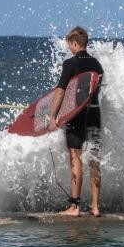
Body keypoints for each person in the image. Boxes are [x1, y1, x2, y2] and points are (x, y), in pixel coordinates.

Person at [50, 26, 104, 217]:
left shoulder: (70, 63)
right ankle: (96, 207)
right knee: (94, 160)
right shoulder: (97, 64)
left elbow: (60, 90)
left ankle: (75, 206)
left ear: (74, 43)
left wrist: (53, 116)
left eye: (69, 45)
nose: (69, 49)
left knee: (76, 157)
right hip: (95, 115)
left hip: (77, 116)